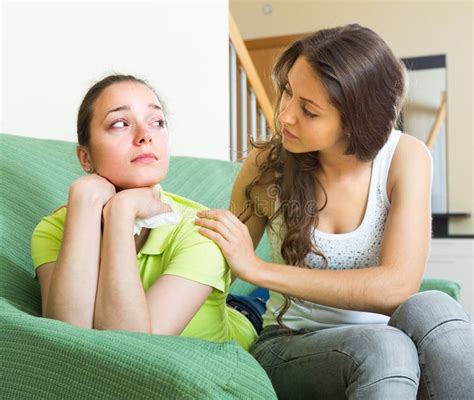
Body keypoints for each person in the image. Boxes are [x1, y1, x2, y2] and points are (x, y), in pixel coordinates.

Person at [195, 24, 474, 399]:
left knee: (436, 308)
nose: (285, 116)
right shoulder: (269, 164)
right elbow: (213, 267)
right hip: (291, 345)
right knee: (387, 349)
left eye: (309, 111)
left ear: (355, 120)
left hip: (390, 341)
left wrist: (260, 270)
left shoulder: (404, 158)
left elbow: (398, 286)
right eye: (288, 93)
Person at [31, 74, 257, 351]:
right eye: (120, 124)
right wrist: (85, 199)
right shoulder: (55, 228)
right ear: (85, 158)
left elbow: (134, 349)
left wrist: (121, 211)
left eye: (157, 122)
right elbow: (67, 337)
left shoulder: (204, 229)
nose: (145, 136)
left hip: (249, 318)